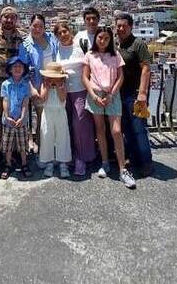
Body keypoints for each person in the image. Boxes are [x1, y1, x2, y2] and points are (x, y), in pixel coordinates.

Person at [81, 26, 136, 189]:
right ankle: (105, 162)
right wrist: (93, 95)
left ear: (110, 39)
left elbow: (121, 77)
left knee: (116, 131)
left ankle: (122, 169)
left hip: (113, 95)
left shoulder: (115, 55)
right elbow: (85, 76)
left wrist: (112, 94)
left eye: (106, 38)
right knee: (100, 129)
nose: (103, 40)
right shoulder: (89, 55)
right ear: (96, 38)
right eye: (100, 37)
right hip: (95, 95)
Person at [0, 6, 27, 167]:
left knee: (16, 117)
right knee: (0, 119)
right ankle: (1, 152)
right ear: (0, 18)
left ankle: (15, 152)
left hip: (17, 85)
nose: (9, 20)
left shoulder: (21, 36)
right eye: (6, 17)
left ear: (16, 19)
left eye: (12, 17)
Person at [52, 20, 96, 178]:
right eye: (59, 33)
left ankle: (82, 158)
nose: (63, 35)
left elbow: (90, 65)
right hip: (63, 92)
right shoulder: (56, 50)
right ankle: (69, 156)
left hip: (80, 90)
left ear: (70, 31)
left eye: (65, 31)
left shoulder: (80, 47)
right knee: (67, 125)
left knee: (80, 125)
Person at [115, 12, 154, 176]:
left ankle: (146, 162)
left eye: (124, 26)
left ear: (131, 27)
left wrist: (143, 93)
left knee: (139, 129)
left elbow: (146, 68)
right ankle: (134, 159)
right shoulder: (118, 46)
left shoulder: (138, 44)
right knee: (127, 129)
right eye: (118, 26)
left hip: (137, 94)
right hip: (122, 95)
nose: (121, 28)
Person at [18, 14, 59, 151]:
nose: (37, 29)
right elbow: (22, 70)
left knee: (53, 117)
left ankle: (53, 150)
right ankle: (42, 151)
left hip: (54, 84)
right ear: (30, 26)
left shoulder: (52, 39)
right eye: (35, 26)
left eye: (40, 26)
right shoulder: (25, 45)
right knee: (42, 119)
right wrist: (32, 89)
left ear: (44, 27)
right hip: (37, 86)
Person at [0, 57, 37, 179]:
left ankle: (24, 164)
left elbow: (26, 102)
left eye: (20, 66)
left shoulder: (26, 85)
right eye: (14, 66)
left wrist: (22, 116)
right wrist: (6, 116)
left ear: (23, 69)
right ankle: (8, 164)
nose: (17, 69)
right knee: (8, 145)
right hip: (8, 120)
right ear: (10, 69)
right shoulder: (5, 84)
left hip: (22, 120)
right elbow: (5, 100)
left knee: (22, 144)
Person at [37, 63, 72, 178]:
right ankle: (49, 161)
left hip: (60, 113)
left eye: (55, 77)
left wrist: (58, 86)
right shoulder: (44, 85)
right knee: (47, 137)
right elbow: (42, 99)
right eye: (50, 77)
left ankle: (63, 162)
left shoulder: (62, 85)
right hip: (47, 113)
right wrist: (47, 87)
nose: (53, 79)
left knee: (62, 137)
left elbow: (62, 98)